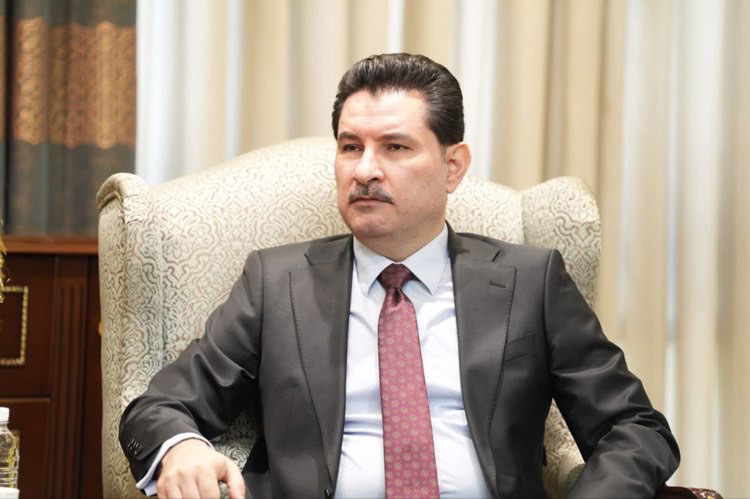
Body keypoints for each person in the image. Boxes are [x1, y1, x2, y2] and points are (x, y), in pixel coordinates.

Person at [120, 53, 679, 499]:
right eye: (350, 147)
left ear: (452, 166)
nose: (365, 169)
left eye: (395, 147)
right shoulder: (277, 283)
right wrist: (180, 447)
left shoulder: (529, 282)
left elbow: (635, 429)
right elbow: (158, 407)